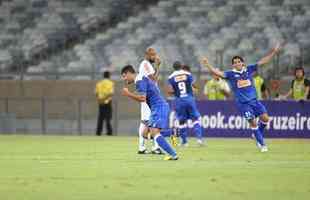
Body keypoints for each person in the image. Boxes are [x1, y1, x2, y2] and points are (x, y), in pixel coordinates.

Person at [201, 43, 281, 152]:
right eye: (235, 62)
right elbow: (218, 73)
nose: (237, 63)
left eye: (239, 61)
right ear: (233, 65)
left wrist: (274, 52)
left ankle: (257, 135)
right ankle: (262, 144)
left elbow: (263, 61)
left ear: (243, 63)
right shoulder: (230, 74)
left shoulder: (249, 69)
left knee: (266, 119)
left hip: (255, 101)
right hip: (244, 104)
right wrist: (208, 65)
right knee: (252, 122)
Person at [121, 65, 178, 160]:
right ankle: (172, 132)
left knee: (155, 133)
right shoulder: (141, 79)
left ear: (129, 73)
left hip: (158, 107)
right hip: (155, 108)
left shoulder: (139, 80)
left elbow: (142, 98)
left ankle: (173, 154)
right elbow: (145, 92)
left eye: (124, 76)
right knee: (144, 134)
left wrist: (128, 94)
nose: (124, 79)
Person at [167, 61, 204, 146]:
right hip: (189, 99)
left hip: (179, 100)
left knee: (181, 121)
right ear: (181, 66)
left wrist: (176, 91)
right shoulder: (187, 74)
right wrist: (191, 89)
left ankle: (184, 142)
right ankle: (199, 140)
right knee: (195, 119)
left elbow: (170, 91)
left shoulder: (171, 77)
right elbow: (194, 85)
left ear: (174, 68)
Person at [137, 47, 162, 154]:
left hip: (147, 95)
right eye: (152, 55)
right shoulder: (146, 64)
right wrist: (158, 66)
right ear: (147, 55)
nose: (154, 56)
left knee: (145, 121)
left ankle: (142, 147)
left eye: (155, 54)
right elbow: (153, 79)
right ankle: (155, 147)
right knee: (152, 121)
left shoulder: (147, 65)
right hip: (149, 97)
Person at [95, 71, 114, 136]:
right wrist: (105, 99)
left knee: (100, 118)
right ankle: (109, 132)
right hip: (107, 102)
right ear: (109, 76)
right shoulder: (110, 83)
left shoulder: (99, 83)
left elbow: (96, 93)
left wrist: (100, 100)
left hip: (100, 102)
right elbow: (110, 93)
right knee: (108, 118)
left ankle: (98, 133)